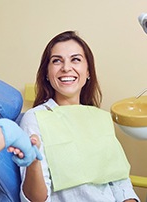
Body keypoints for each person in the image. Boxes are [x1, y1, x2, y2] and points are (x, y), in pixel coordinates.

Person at [13, 31, 140, 202]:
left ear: (88, 71)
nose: (66, 68)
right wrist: (34, 163)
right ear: (46, 73)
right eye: (57, 61)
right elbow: (35, 200)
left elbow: (121, 185)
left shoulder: (100, 118)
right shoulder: (35, 118)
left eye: (76, 59)